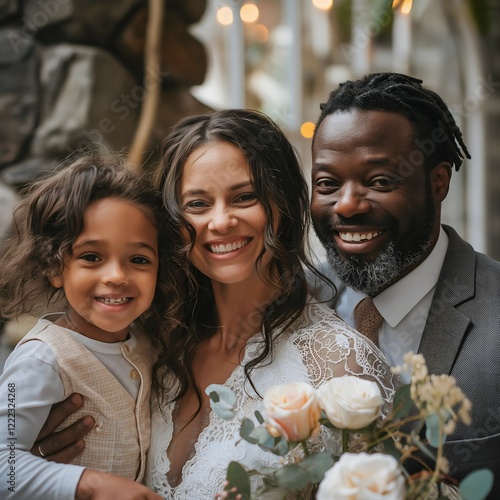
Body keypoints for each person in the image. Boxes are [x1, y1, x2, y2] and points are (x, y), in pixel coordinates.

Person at [142, 108, 401, 498]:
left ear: (282, 206)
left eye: (244, 197)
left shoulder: (339, 366)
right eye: (197, 204)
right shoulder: (154, 348)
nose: (221, 221)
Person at [309, 72, 500, 495]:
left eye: (379, 181)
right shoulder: (288, 301)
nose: (347, 205)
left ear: (438, 182)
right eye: (327, 183)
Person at [0, 155, 165, 499]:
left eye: (139, 259)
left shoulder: (148, 345)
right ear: (55, 267)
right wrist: (91, 484)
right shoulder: (41, 360)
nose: (117, 276)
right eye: (91, 257)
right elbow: (4, 466)